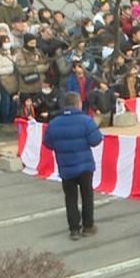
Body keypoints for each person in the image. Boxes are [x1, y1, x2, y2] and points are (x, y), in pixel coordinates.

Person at [43, 92, 103, 240]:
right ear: (78, 104)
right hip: (85, 165)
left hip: (65, 166)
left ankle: (74, 229)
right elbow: (96, 140)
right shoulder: (86, 121)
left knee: (70, 197)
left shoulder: (54, 123)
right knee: (87, 196)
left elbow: (48, 144)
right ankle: (88, 226)